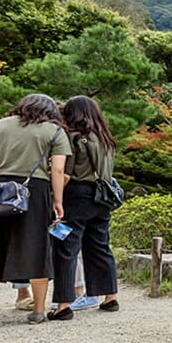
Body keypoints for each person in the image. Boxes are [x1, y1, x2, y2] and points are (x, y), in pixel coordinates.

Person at [0, 94, 71, 327]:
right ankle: (37, 311)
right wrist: (58, 200)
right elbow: (57, 170)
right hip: (34, 191)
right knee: (36, 247)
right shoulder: (54, 131)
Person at [49, 95, 121, 320]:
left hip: (77, 196)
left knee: (66, 247)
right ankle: (110, 296)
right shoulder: (105, 138)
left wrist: (55, 197)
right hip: (103, 197)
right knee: (99, 246)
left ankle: (63, 304)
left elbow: (66, 174)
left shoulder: (72, 138)